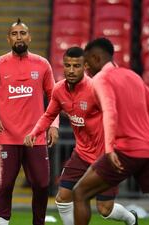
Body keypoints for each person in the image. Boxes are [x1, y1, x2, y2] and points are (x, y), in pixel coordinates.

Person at [72, 37, 149, 225]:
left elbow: (110, 112)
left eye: (86, 64)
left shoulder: (101, 79)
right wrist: (139, 132)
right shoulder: (133, 75)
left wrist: (110, 148)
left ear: (95, 58)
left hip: (126, 151)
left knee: (80, 193)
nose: (86, 70)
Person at [24, 47, 137, 225]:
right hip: (82, 155)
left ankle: (131, 219)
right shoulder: (59, 89)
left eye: (76, 66)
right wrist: (34, 132)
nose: (70, 70)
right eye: (67, 65)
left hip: (104, 157)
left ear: (85, 66)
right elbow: (48, 115)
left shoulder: (95, 89)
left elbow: (114, 114)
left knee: (105, 210)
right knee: (62, 198)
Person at [0, 18, 59, 225]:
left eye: (22, 33)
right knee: (5, 186)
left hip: (36, 137)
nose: (19, 37)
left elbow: (55, 97)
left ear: (29, 37)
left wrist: (54, 125)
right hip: (7, 137)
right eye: (14, 34)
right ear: (9, 39)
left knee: (42, 185)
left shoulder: (42, 65)